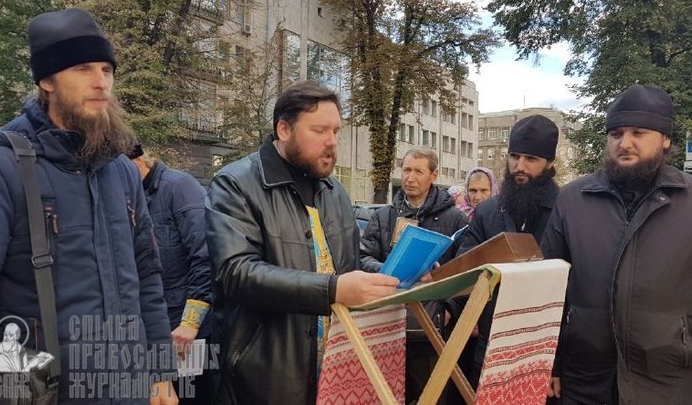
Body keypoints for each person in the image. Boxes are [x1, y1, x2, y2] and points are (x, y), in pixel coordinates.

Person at [0, 8, 176, 403]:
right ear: (46, 80)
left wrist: (160, 374)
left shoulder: (121, 171)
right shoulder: (1, 166)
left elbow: (148, 281)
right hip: (42, 391)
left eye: (107, 70)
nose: (100, 82)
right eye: (83, 69)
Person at [205, 80, 399, 405]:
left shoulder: (334, 190)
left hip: (334, 368)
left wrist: (396, 275)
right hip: (264, 377)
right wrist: (332, 290)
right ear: (284, 129)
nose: (332, 142)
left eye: (337, 131)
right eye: (320, 130)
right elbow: (236, 273)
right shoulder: (235, 184)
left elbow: (349, 263)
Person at [541, 84, 692, 404]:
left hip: (670, 379)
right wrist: (552, 363)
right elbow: (549, 292)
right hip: (585, 379)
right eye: (616, 133)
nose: (625, 143)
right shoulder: (573, 200)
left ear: (665, 139)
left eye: (638, 133)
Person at [457, 114, 560, 387]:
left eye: (531, 159)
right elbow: (465, 265)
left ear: (550, 163)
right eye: (514, 156)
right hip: (492, 344)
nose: (519, 166)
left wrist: (560, 363)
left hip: (543, 350)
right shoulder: (488, 210)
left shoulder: (567, 210)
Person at [360, 147, 468, 403]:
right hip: (387, 322)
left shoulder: (456, 219)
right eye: (406, 170)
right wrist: (387, 272)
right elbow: (362, 259)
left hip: (431, 328)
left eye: (418, 171)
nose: (410, 177)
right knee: (388, 395)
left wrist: (450, 307)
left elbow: (466, 270)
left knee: (430, 395)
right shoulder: (383, 216)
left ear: (434, 175)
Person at [130, 146, 213, 404]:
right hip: (151, 332)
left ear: (136, 161)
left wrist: (191, 322)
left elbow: (207, 255)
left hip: (187, 332)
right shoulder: (128, 197)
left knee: (191, 396)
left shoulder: (179, 187)